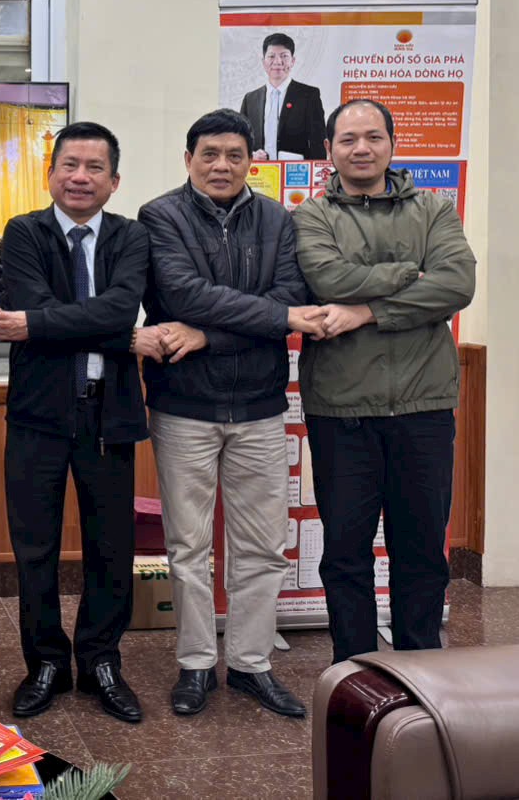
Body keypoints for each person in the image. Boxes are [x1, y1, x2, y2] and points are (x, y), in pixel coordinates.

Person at [135, 108, 324, 719]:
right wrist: (270, 319)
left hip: (261, 408)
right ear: (188, 159)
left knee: (263, 546)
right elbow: (184, 293)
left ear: (251, 162)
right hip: (184, 407)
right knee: (188, 546)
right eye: (210, 154)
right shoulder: (160, 216)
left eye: (234, 155)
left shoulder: (277, 219)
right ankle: (195, 663)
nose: (222, 165)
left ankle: (249, 664)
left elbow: (292, 298)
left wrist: (208, 335)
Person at [292, 99, 476, 663]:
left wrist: (366, 311)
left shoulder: (434, 210)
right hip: (341, 411)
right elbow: (327, 277)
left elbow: (456, 285)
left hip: (424, 408)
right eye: (348, 140)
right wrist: (407, 276)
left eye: (373, 137)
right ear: (329, 150)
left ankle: (422, 669)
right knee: (345, 552)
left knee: (420, 551)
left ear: (393, 144)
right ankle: (353, 669)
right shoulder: (311, 216)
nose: (362, 149)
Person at [0, 122, 150, 724]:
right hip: (39, 414)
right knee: (35, 546)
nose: (80, 177)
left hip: (109, 413)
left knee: (112, 545)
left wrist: (42, 324)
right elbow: (42, 305)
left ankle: (102, 661)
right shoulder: (24, 231)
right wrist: (118, 334)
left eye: (94, 167)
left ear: (114, 180)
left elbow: (120, 306)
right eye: (69, 166)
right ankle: (46, 664)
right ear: (51, 173)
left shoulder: (131, 236)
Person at [239, 32, 327, 161]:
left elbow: (318, 142)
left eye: (284, 56)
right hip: (259, 171)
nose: (277, 62)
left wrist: (317, 171)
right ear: (263, 62)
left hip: (297, 171)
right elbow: (241, 139)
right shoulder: (250, 99)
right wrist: (251, 155)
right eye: (271, 56)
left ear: (292, 61)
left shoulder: (308, 95)